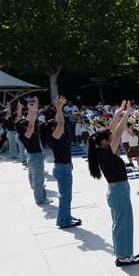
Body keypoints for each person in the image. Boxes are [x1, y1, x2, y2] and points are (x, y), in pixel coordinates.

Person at [88, 101, 139, 267]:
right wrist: (127, 114)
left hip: (117, 190)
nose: (115, 141)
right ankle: (123, 256)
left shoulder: (100, 150)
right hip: (119, 190)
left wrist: (118, 112)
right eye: (111, 140)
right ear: (105, 142)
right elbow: (117, 132)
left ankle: (124, 254)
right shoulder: (105, 153)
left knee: (122, 222)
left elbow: (111, 131)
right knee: (122, 223)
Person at [50, 96, 81, 228]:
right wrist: (58, 108)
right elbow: (61, 123)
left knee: (67, 196)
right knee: (65, 196)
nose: (60, 127)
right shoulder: (54, 138)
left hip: (65, 167)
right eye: (56, 127)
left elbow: (59, 123)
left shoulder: (58, 137)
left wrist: (58, 111)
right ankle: (63, 221)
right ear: (53, 129)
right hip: (63, 168)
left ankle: (67, 216)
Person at [21, 100, 51, 205]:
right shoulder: (26, 135)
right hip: (35, 158)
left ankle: (41, 197)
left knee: (38, 179)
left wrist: (33, 111)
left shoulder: (26, 134)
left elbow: (29, 122)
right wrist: (33, 113)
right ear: (26, 127)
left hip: (35, 157)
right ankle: (40, 199)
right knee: (39, 180)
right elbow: (30, 124)